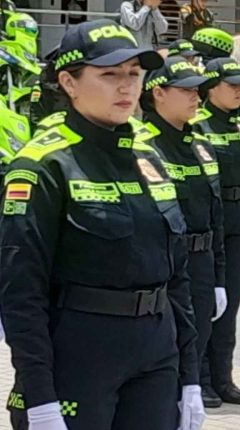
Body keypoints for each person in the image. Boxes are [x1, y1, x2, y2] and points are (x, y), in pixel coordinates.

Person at [1, 19, 205, 430]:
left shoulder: (150, 158)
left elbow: (176, 274)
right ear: (69, 82)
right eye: (109, 74)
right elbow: (20, 292)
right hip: (80, 350)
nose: (126, 86)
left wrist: (191, 377)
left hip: (155, 350)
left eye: (134, 74)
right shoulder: (44, 165)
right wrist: (39, 397)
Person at [140, 57, 228, 409]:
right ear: (158, 93)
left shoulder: (201, 145)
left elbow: (215, 215)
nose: (196, 97)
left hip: (202, 262)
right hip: (165, 265)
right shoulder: (141, 145)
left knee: (198, 340)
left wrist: (220, 275)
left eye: (198, 91)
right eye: (186, 90)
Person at [191, 57, 240, 406]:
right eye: (231, 84)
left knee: (230, 304)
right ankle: (200, 378)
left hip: (239, 218)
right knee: (207, 306)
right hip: (211, 218)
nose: (239, 90)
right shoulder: (198, 126)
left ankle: (223, 377)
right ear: (210, 88)